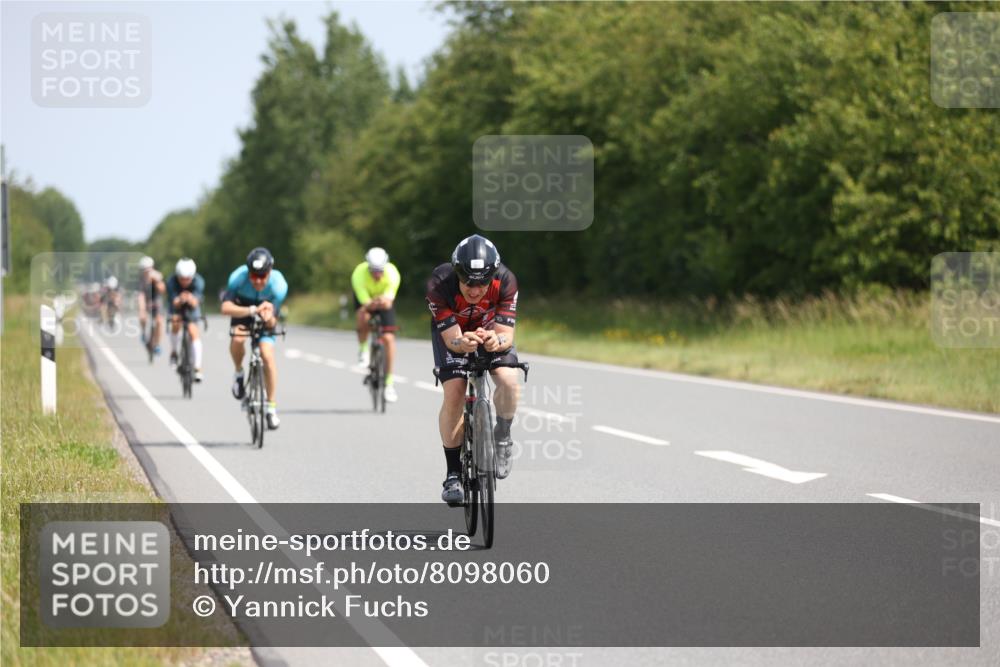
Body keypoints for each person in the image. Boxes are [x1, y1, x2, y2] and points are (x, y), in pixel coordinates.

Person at [426, 234, 520, 504]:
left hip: (489, 330)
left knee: (509, 380)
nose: (475, 290)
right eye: (468, 282)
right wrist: (460, 342)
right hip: (453, 333)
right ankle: (453, 474)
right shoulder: (439, 284)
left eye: (482, 283)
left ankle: (502, 433)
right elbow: (451, 340)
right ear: (457, 274)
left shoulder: (506, 281)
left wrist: (496, 340)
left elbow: (506, 335)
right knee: (454, 391)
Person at [220, 247, 288, 430]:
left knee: (267, 355)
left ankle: (271, 408)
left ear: (270, 272)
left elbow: (274, 319)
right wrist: (251, 310)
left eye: (262, 276)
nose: (257, 281)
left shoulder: (279, 285)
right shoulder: (238, 278)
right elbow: (226, 307)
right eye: (253, 276)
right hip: (242, 311)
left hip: (266, 314)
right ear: (248, 272)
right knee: (238, 338)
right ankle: (239, 373)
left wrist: (268, 317)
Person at [351, 247, 402, 403]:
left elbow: (387, 303)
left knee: (388, 339)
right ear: (368, 267)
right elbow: (365, 304)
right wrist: (373, 303)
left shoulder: (393, 274)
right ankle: (363, 350)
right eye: (373, 270)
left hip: (384, 303)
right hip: (366, 303)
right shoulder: (358, 274)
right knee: (362, 315)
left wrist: (381, 302)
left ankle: (389, 384)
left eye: (380, 270)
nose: (377, 274)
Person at [166, 258, 206, 381]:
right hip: (176, 307)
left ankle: (197, 367)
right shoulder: (171, 281)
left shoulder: (199, 281)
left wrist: (189, 298)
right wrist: (180, 299)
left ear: (192, 276)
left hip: (192, 307)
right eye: (181, 279)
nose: (184, 282)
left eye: (187, 279)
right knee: (175, 321)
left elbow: (195, 302)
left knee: (194, 332)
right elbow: (174, 302)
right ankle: (174, 352)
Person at [136, 256, 166, 355]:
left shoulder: (157, 275)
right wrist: (142, 309)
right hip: (146, 299)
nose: (147, 272)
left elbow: (162, 290)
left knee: (159, 321)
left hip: (157, 299)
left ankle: (157, 344)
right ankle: (144, 332)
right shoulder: (141, 280)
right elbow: (141, 295)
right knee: (142, 316)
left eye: (149, 269)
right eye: (144, 270)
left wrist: (156, 281)